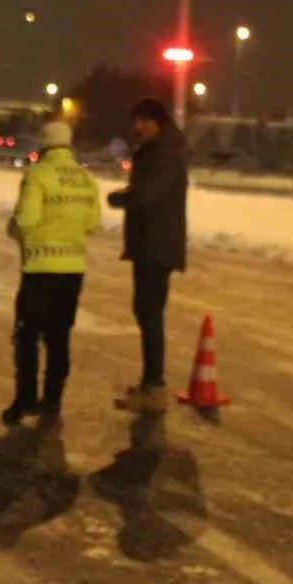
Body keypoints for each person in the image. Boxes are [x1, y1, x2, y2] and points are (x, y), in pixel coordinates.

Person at [3, 119, 102, 425]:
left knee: (27, 336)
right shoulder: (86, 179)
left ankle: (25, 401)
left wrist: (14, 228)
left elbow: (27, 220)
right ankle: (53, 401)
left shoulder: (37, 175)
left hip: (39, 270)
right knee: (59, 338)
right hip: (73, 270)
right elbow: (93, 224)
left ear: (43, 144)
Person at [106, 99, 189, 411]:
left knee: (149, 314)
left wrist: (122, 198)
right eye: (135, 121)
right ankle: (150, 385)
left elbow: (150, 195)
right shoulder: (157, 151)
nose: (137, 127)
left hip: (157, 245)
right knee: (146, 313)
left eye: (143, 121)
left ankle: (154, 388)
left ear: (158, 122)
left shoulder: (165, 154)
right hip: (150, 244)